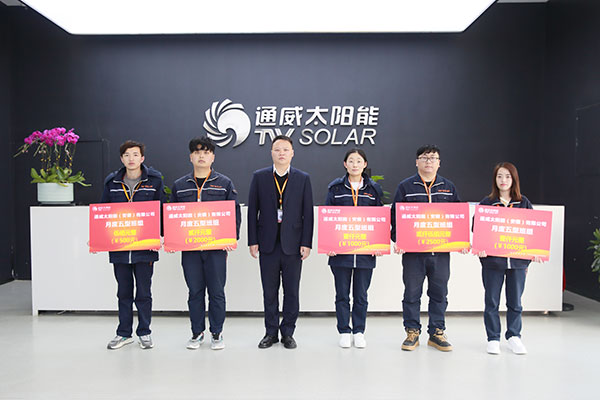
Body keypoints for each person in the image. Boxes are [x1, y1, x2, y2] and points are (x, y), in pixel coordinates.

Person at [171, 136, 241, 351]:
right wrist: (171, 239)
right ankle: (197, 332)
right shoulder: (179, 185)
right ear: (190, 157)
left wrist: (232, 237)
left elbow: (234, 213)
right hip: (190, 250)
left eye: (206, 152)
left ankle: (217, 333)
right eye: (197, 152)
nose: (201, 156)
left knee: (217, 292)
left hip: (216, 250)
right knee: (195, 291)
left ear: (213, 157)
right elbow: (172, 216)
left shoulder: (224, 183)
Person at [390, 144, 461, 352]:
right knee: (412, 293)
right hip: (413, 254)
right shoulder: (406, 186)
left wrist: (461, 240)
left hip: (440, 253)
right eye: (424, 157)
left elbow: (457, 217)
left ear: (439, 163)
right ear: (416, 162)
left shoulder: (448, 187)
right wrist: (398, 240)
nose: (428, 161)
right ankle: (412, 332)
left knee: (439, 293)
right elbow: (395, 216)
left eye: (433, 158)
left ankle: (437, 332)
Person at [247, 135, 314, 349]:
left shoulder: (302, 178)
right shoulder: (260, 177)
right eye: (277, 149)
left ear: (292, 153)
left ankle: (288, 333)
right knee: (269, 291)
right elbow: (252, 211)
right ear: (271, 153)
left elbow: (308, 214)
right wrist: (252, 240)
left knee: (291, 291)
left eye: (285, 149)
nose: (281, 153)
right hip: (267, 244)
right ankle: (270, 333)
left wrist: (306, 242)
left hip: (293, 245)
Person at [101, 140, 165, 350]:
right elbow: (103, 212)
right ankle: (123, 333)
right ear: (122, 159)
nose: (131, 159)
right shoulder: (112, 182)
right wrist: (98, 237)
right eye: (127, 155)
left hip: (145, 249)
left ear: (142, 158)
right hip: (119, 249)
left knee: (144, 293)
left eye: (135, 154)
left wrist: (161, 236)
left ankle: (145, 332)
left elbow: (161, 210)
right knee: (123, 293)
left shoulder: (154, 180)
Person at [476, 162, 540, 355]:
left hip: (518, 263)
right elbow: (477, 229)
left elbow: (533, 232)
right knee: (491, 302)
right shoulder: (487, 203)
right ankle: (493, 338)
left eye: (507, 176)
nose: (503, 180)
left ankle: (514, 336)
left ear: (514, 179)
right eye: (499, 176)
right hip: (493, 263)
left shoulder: (523, 203)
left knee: (515, 302)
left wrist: (534, 253)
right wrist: (480, 248)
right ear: (494, 179)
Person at [325, 148, 383, 348]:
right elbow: (328, 218)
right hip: (340, 253)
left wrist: (379, 244)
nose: (355, 165)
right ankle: (344, 330)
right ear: (345, 164)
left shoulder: (373, 189)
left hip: (366, 253)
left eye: (359, 161)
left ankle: (359, 331)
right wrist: (328, 244)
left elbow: (379, 219)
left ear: (365, 164)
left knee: (361, 296)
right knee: (342, 295)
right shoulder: (335, 188)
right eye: (351, 161)